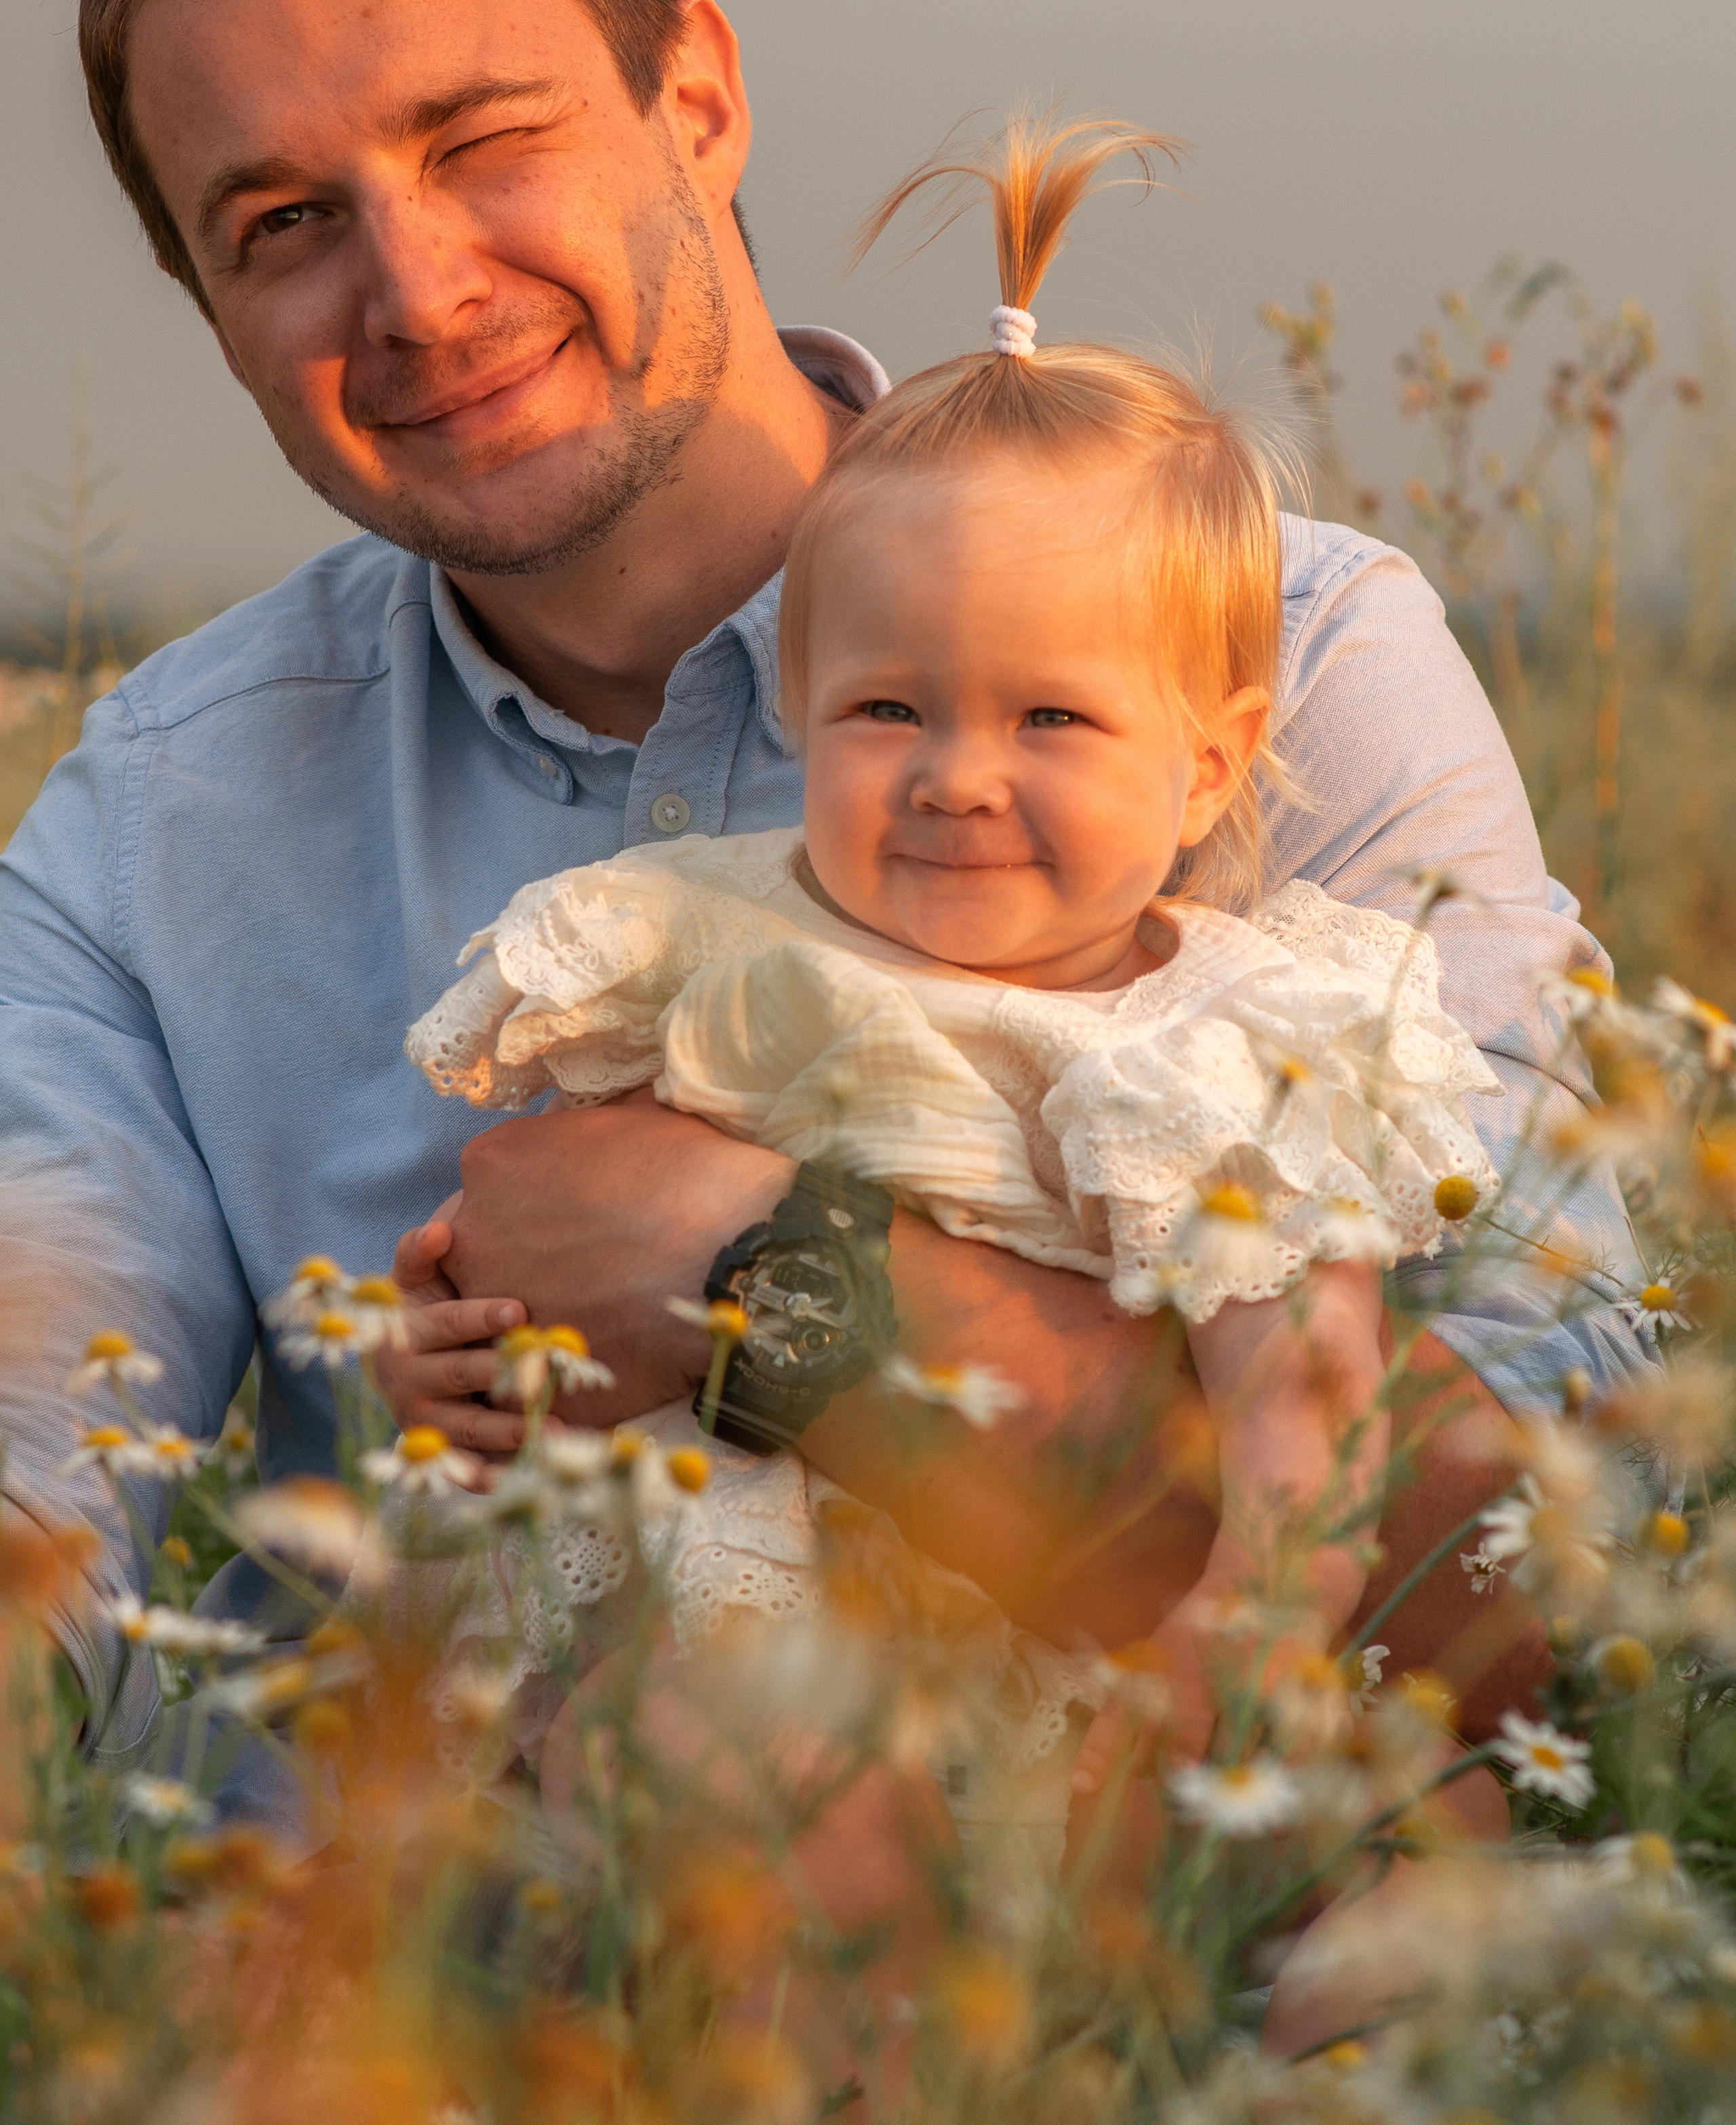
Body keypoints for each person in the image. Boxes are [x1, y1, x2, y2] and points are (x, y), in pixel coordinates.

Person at [5, 0, 1646, 1823]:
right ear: (209, 300)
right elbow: (39, 1439)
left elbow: (1532, 1545)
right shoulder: (151, 827)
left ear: (697, 97)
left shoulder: (1270, 655)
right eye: (281, 222)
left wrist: (764, 1269)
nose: (415, 291)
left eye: (480, 139)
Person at [395, 117, 1506, 1896]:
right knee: (756, 1796)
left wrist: (1251, 1614)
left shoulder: (1242, 1038)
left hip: (1104, 1639)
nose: (955, 780)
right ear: (804, 707)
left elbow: (1304, 1396)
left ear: (1207, 767)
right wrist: (448, 1365)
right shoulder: (712, 940)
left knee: (1430, 1842)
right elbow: (543, 1250)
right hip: (742, 1621)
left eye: (1050, 720)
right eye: (887, 712)